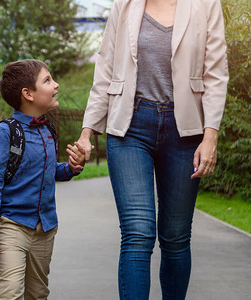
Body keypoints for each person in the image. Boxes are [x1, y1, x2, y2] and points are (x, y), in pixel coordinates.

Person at [77, 0, 228, 299]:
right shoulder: (125, 4)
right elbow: (105, 67)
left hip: (186, 131)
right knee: (137, 233)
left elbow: (216, 74)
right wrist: (87, 132)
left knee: (175, 237)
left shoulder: (206, 4)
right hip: (130, 126)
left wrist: (210, 137)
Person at [0, 59, 86, 300]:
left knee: (38, 294)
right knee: (10, 293)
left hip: (45, 228)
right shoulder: (6, 132)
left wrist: (70, 168)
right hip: (12, 225)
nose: (56, 85)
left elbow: (49, 172)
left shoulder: (47, 130)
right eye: (47, 80)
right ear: (28, 94)